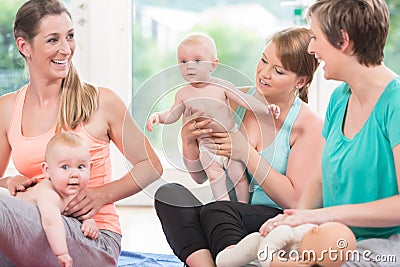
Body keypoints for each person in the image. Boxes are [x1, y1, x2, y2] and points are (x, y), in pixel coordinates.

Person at [0, 0, 162, 266]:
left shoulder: (101, 102)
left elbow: (151, 165)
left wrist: (102, 195)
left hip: (93, 237)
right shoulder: (7, 109)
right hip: (34, 231)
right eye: (53, 40)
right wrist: (9, 183)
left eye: (70, 36)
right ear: (24, 46)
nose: (66, 49)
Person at [154, 26, 323, 267]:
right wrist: (188, 140)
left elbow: (294, 201)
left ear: (301, 81)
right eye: (263, 60)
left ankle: (225, 257)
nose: (264, 73)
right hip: (225, 218)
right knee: (169, 195)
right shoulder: (233, 98)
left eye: (278, 70)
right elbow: (200, 176)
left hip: (272, 220)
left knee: (215, 211)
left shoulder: (308, 125)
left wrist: (245, 152)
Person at [259, 0, 400, 266]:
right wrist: (293, 220)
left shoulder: (396, 102)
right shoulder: (339, 98)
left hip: (385, 244)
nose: (311, 48)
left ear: (343, 40)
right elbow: (319, 179)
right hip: (330, 240)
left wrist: (323, 216)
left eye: (314, 37)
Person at [146, 32, 280, 203]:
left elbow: (246, 101)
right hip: (206, 146)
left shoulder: (221, 86)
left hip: (229, 142)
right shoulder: (183, 93)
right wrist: (158, 116)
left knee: (239, 178)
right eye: (183, 62)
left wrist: (266, 109)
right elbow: (172, 115)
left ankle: (242, 207)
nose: (190, 66)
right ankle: (223, 207)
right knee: (215, 178)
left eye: (197, 60)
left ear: (213, 64)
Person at [16, 132, 98, 267]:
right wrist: (62, 253)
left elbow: (81, 212)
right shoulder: (49, 193)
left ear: (90, 168)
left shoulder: (73, 190)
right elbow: (51, 222)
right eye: (65, 167)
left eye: (81, 167)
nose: (74, 174)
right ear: (47, 170)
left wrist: (89, 221)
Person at [216, 221, 356, 267]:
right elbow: (263, 254)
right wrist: (284, 264)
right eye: (310, 255)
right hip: (260, 245)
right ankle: (233, 248)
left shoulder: (312, 246)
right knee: (225, 261)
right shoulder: (286, 232)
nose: (308, 261)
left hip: (281, 255)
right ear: (314, 231)